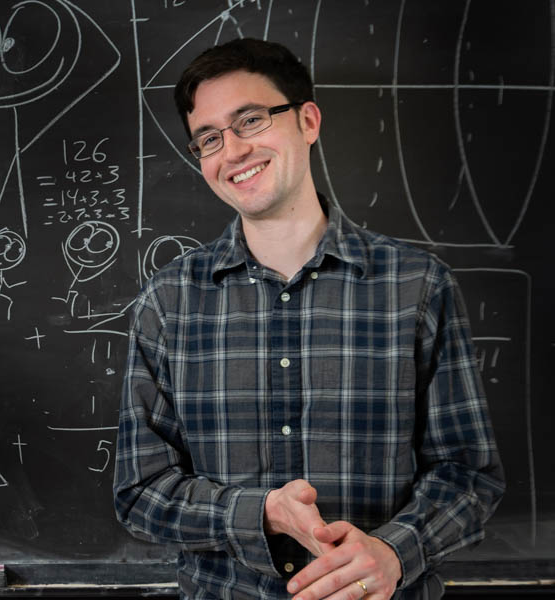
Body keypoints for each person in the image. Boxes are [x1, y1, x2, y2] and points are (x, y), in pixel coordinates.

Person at [113, 38, 505, 600]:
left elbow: (469, 475)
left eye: (250, 120)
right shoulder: (169, 301)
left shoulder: (417, 285)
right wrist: (262, 513)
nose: (233, 151)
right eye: (209, 138)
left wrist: (396, 550)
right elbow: (140, 493)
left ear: (308, 121)